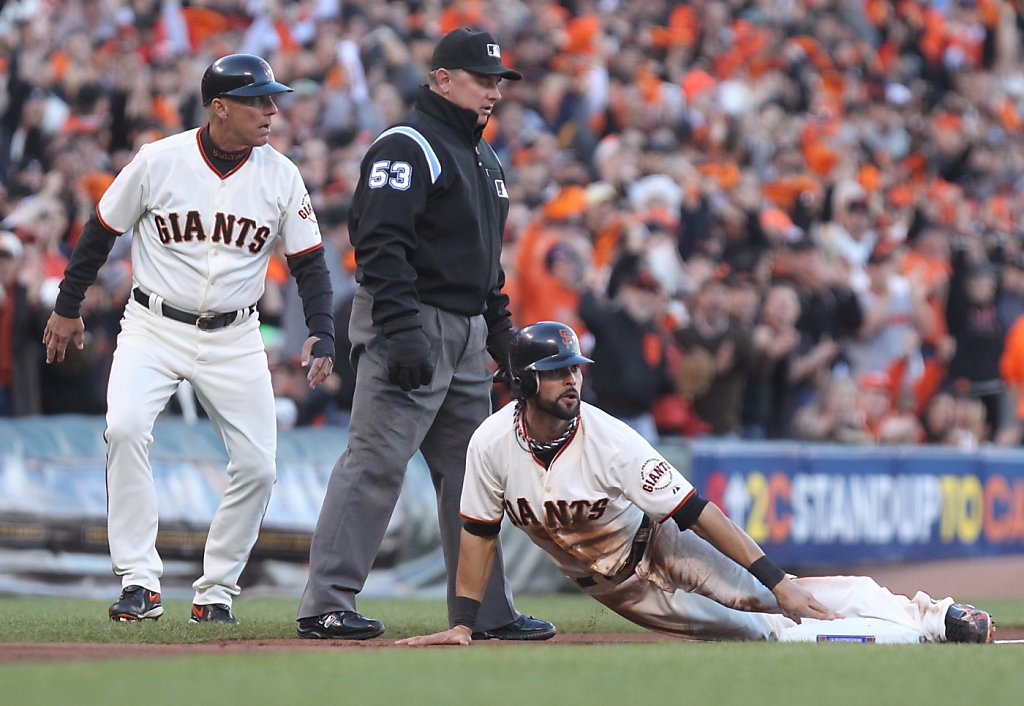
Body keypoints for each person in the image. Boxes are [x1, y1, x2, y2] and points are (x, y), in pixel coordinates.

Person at [398, 321, 994, 645]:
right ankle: (893, 636)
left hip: (658, 542)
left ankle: (932, 618)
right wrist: (461, 621)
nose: (572, 382)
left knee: (771, 599)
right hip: (614, 588)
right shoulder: (491, 444)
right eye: (556, 374)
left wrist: (776, 578)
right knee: (755, 634)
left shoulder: (609, 437)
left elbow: (694, 511)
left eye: (575, 370)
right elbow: (477, 533)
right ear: (524, 385)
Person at [41, 54, 336, 624]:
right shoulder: (159, 159)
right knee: (124, 429)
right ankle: (139, 581)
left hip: (236, 334)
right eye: (257, 99)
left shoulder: (281, 174)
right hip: (153, 324)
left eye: (272, 98)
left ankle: (217, 590)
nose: (271, 109)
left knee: (257, 466)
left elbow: (311, 265)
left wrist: (322, 333)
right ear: (218, 107)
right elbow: (100, 231)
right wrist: (67, 307)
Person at [296, 28, 554, 642]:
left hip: (463, 330)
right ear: (442, 79)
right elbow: (381, 244)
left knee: (473, 478)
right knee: (376, 462)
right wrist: (403, 330)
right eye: (482, 79)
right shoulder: (408, 145)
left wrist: (500, 335)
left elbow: (486, 262)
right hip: (410, 319)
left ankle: (485, 612)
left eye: (498, 81)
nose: (494, 91)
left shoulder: (480, 154)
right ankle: (325, 602)